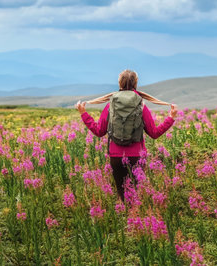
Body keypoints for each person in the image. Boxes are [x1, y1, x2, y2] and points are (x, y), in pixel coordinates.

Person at [75, 69, 178, 200]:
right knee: (136, 196)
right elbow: (154, 133)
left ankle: (125, 217)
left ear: (119, 83)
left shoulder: (111, 105)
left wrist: (84, 113)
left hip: (116, 157)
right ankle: (135, 217)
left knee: (122, 196)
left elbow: (99, 131)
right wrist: (171, 118)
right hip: (137, 157)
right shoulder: (140, 105)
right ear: (136, 83)